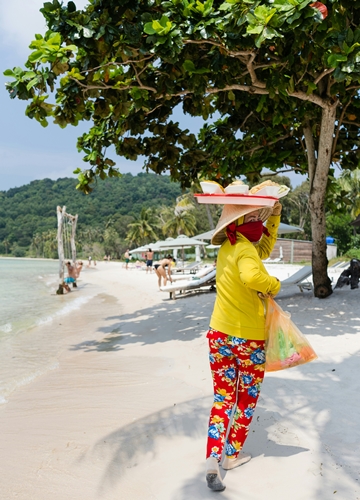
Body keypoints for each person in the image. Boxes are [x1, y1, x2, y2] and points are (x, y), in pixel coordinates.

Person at [205, 201, 282, 492]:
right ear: (235, 224)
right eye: (249, 217)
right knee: (245, 399)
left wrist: (274, 216)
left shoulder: (229, 248)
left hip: (219, 336)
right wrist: (274, 285)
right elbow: (253, 275)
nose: (255, 221)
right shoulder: (246, 250)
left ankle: (212, 458)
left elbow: (262, 250)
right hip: (248, 341)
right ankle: (231, 457)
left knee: (222, 399)